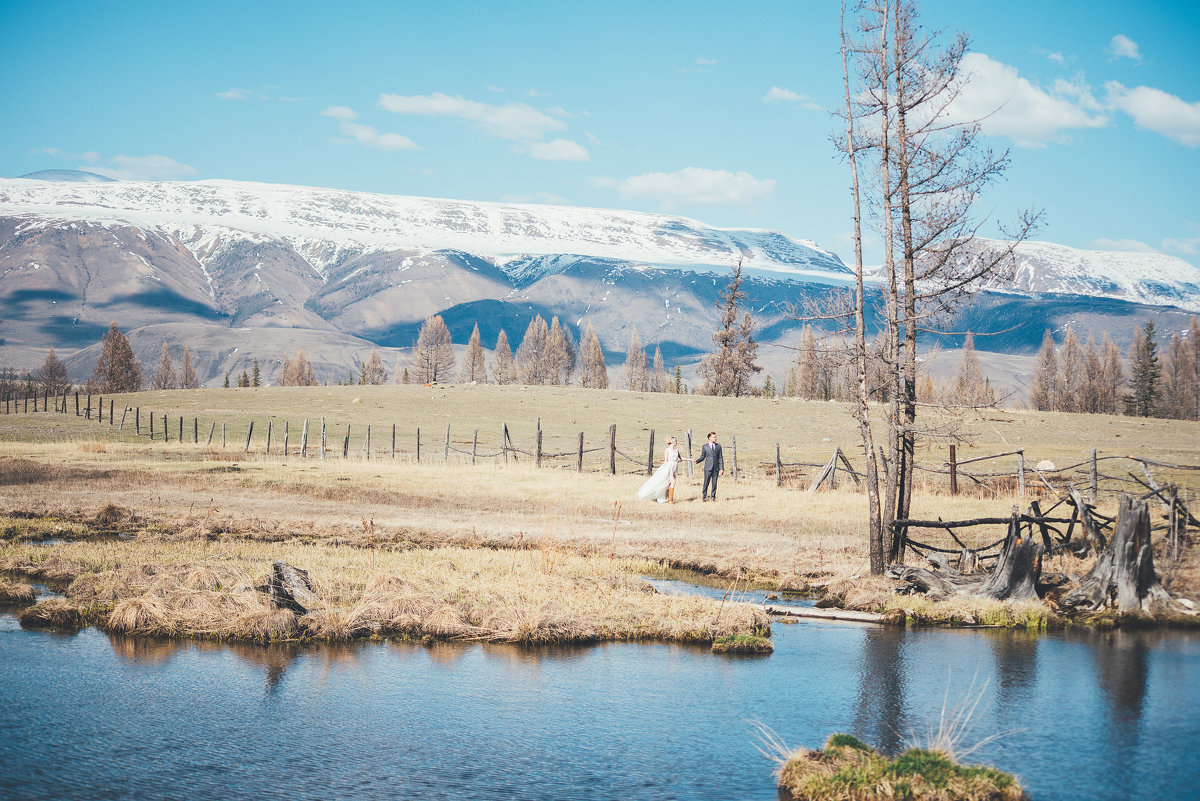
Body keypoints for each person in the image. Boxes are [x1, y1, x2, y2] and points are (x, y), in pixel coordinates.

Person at [637, 435, 681, 503]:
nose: (676, 442)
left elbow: (681, 458)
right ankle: (670, 500)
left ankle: (668, 498)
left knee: (669, 483)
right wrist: (664, 468)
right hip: (669, 467)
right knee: (673, 482)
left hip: (675, 466)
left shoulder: (676, 450)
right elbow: (666, 460)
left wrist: (690, 459)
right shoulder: (667, 450)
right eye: (675, 441)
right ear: (672, 442)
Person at [693, 431, 724, 501]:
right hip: (708, 468)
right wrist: (697, 460)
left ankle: (713, 497)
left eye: (716, 437)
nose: (715, 438)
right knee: (706, 482)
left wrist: (721, 468)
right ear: (709, 438)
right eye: (714, 437)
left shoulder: (718, 446)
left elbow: (720, 458)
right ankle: (704, 496)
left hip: (716, 468)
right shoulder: (705, 447)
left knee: (714, 483)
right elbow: (703, 457)